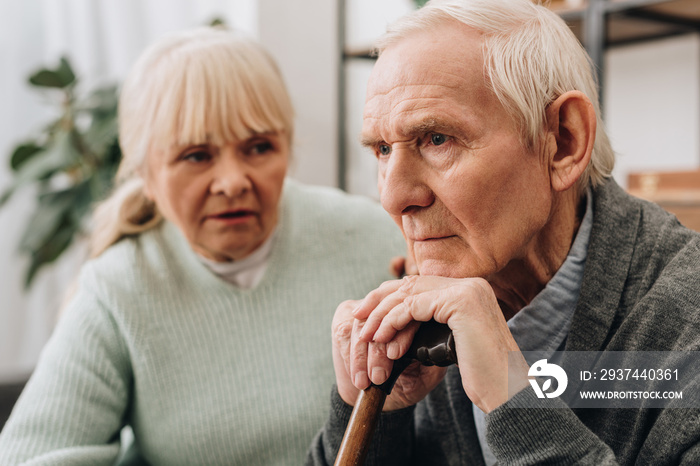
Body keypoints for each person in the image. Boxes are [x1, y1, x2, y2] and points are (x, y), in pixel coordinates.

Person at [307, 0, 700, 464]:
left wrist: (514, 395)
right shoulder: (423, 313)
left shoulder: (684, 326)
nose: (393, 198)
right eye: (382, 149)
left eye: (437, 139)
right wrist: (374, 414)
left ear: (563, 141)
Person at [0, 27, 406, 465]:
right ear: (146, 173)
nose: (233, 182)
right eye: (196, 155)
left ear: (287, 149)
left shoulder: (373, 235)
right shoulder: (118, 287)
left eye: (258, 147)